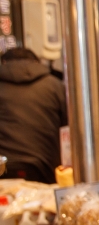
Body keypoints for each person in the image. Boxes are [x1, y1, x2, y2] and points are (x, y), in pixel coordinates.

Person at [0, 47, 67, 184]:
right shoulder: (55, 86)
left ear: (3, 63)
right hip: (45, 172)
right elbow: (68, 130)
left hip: (3, 169)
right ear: (37, 62)